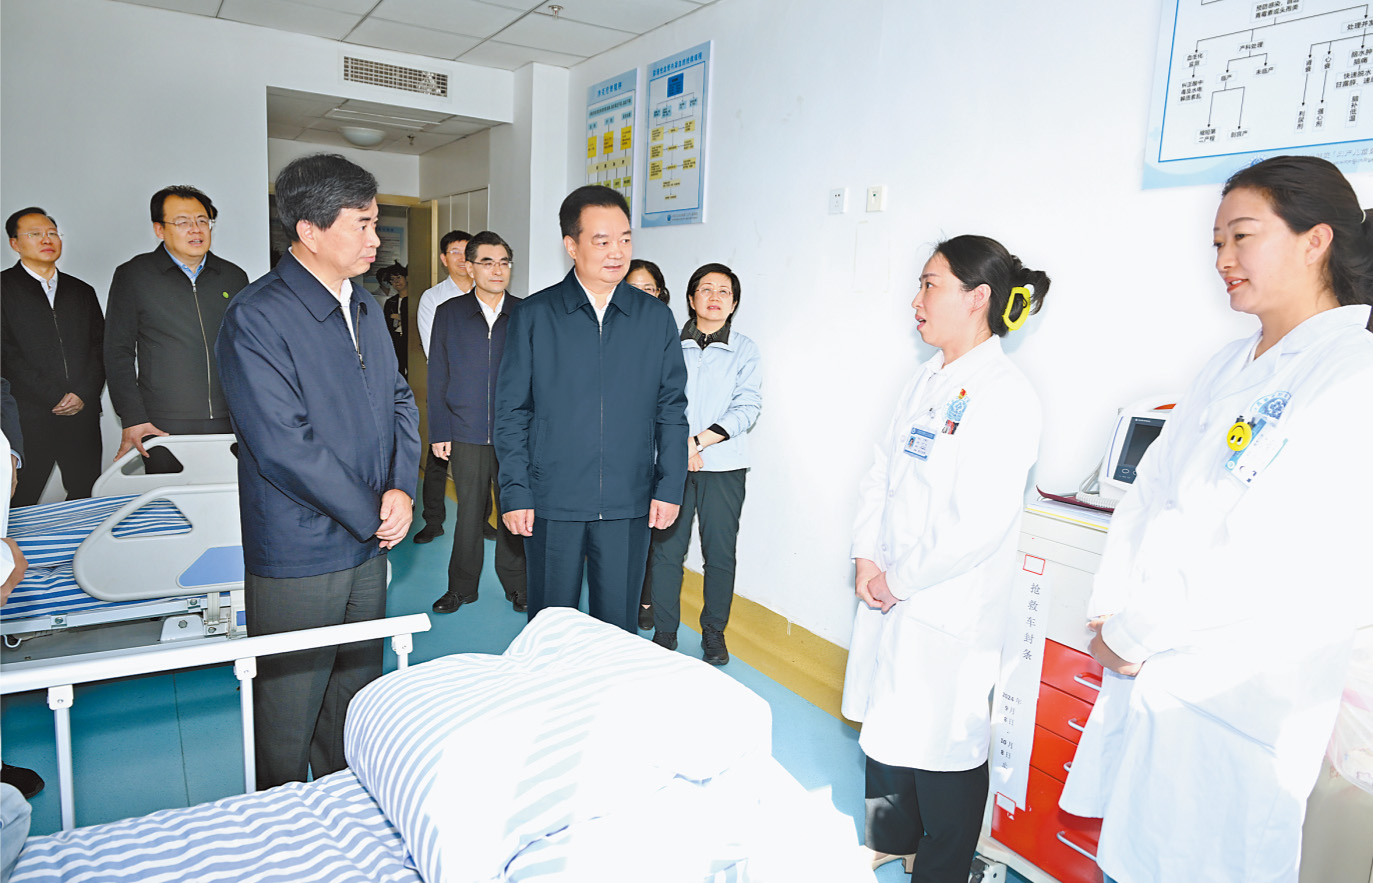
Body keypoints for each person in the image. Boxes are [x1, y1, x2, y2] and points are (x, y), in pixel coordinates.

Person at [1058, 156, 1373, 883]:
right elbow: (1150, 493)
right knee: (1133, 857)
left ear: (1315, 240)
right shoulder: (1228, 364)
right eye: (1216, 243)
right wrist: (1114, 608)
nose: (1223, 259)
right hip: (1152, 663)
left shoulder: (1351, 372)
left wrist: (1131, 633)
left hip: (1235, 697)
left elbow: (1260, 548)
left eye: (1241, 236)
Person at [842, 235, 1049, 882]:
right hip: (891, 583)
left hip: (945, 600)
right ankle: (891, 838)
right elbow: (881, 471)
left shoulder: (1005, 394)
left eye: (929, 284)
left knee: (945, 745)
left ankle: (941, 868)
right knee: (888, 726)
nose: (916, 299)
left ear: (977, 297)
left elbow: (977, 521)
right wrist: (865, 556)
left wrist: (898, 579)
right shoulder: (927, 377)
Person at [214, 153, 419, 790]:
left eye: (375, 223)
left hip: (368, 542)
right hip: (300, 548)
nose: (376, 239)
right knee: (288, 714)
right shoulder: (257, 316)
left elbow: (399, 399)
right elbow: (283, 445)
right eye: (362, 224)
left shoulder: (364, 306)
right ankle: (279, 828)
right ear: (309, 229)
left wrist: (401, 487)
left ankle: (347, 812)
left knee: (354, 701)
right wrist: (369, 511)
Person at [494, 185, 688, 633]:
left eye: (625, 239)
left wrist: (670, 485)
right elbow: (511, 411)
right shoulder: (536, 315)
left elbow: (671, 408)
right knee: (551, 629)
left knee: (617, 631)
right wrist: (516, 491)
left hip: (628, 500)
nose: (616, 252)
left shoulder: (654, 318)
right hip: (552, 499)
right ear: (571, 245)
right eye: (602, 241)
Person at [649, 263, 761, 664]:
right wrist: (680, 448)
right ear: (691, 298)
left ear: (733, 304)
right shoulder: (667, 344)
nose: (715, 297)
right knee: (666, 551)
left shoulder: (745, 349)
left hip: (724, 466)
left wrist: (696, 443)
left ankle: (714, 632)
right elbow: (655, 399)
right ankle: (665, 631)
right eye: (706, 289)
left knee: (720, 553)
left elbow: (747, 406)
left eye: (724, 292)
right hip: (671, 465)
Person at [105, 186, 249, 470]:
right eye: (182, 222)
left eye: (202, 220)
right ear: (159, 229)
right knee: (169, 495)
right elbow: (117, 351)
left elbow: (247, 349)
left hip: (229, 419)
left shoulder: (233, 276)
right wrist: (133, 417)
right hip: (163, 421)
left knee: (228, 495)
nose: (195, 229)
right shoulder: (134, 275)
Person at [427, 231, 526, 615]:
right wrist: (440, 430)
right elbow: (438, 374)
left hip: (514, 433)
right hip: (465, 430)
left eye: (504, 262)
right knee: (469, 513)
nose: (497, 270)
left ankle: (518, 585)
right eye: (487, 262)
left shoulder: (525, 313)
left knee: (513, 509)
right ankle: (461, 588)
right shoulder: (449, 313)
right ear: (469, 267)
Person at [1, 208, 105, 505]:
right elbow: (6, 355)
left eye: (52, 233)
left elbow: (100, 348)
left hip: (81, 415)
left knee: (85, 496)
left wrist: (83, 393)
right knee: (20, 499)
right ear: (14, 243)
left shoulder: (81, 291)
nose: (46, 240)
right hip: (27, 418)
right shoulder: (4, 289)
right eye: (35, 234)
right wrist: (53, 395)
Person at [413, 230, 473, 544]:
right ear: (443, 259)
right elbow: (433, 350)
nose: (462, 258)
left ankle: (481, 521)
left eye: (467, 251)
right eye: (455, 252)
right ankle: (433, 521)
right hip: (447, 390)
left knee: (481, 460)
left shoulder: (489, 290)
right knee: (439, 458)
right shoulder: (433, 298)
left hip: (483, 394)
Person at [626, 257, 670, 629]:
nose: (642, 295)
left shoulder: (667, 336)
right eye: (634, 288)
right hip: (622, 454)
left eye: (649, 288)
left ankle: (644, 598)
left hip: (659, 452)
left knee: (653, 533)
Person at [379, 262, 409, 377]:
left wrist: (401, 317)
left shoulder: (415, 299)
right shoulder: (390, 302)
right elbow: (387, 324)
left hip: (410, 341)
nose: (396, 282)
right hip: (396, 340)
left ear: (406, 278)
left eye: (398, 277)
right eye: (392, 280)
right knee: (397, 371)